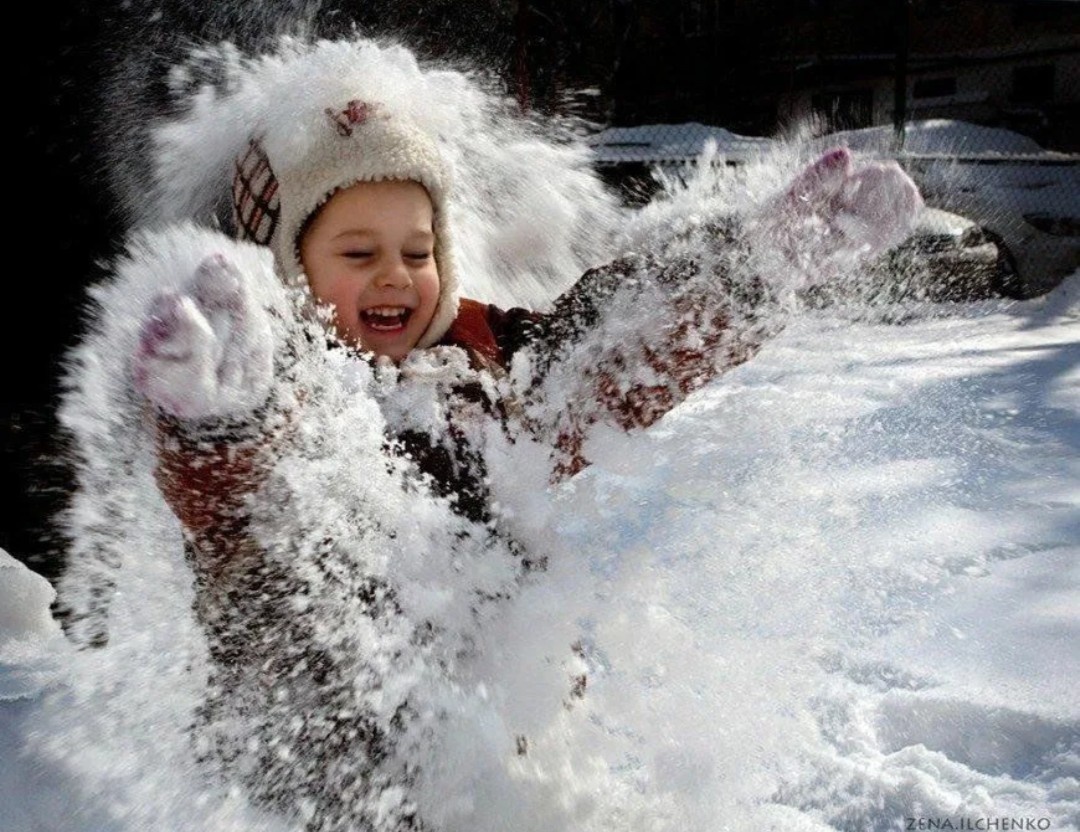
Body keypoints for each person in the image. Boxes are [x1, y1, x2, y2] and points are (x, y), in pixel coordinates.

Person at [121, 43, 922, 830]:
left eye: (419, 248)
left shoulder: (489, 366)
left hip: (497, 773)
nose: (397, 275)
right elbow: (228, 509)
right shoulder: (279, 394)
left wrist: (759, 265)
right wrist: (217, 418)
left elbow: (613, 349)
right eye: (358, 253)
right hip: (315, 789)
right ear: (286, 268)